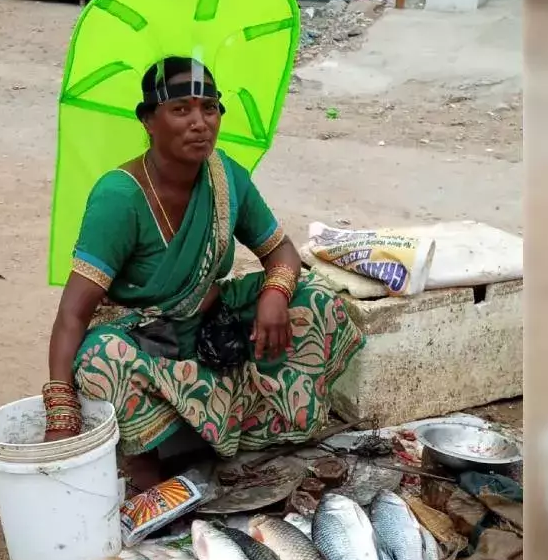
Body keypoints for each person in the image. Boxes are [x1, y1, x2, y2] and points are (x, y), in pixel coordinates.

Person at [44, 57, 364, 487]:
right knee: (100, 359)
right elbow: (73, 314)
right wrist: (61, 414)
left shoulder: (226, 177)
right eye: (180, 109)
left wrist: (275, 294)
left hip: (213, 329)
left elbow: (281, 250)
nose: (199, 123)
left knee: (315, 298)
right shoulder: (118, 197)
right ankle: (147, 466)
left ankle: (257, 430)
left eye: (209, 108)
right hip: (148, 343)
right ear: (148, 120)